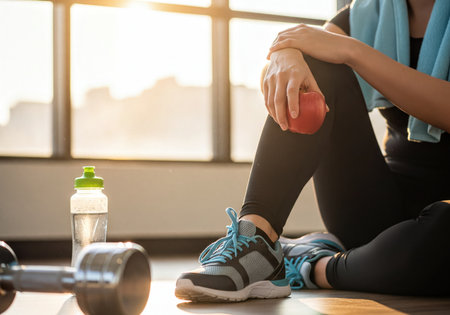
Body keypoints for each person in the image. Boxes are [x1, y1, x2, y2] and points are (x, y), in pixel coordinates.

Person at [175, 0, 450, 302]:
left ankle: (312, 264)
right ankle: (257, 240)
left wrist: (351, 50)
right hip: (378, 208)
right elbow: (310, 53)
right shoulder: (366, 14)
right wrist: (288, 54)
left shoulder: (352, 38)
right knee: (316, 69)